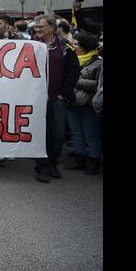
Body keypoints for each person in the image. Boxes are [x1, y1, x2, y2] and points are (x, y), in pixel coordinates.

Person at [32, 14, 80, 183]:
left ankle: (52, 163)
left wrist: (64, 92)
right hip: (36, 100)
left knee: (58, 134)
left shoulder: (65, 47)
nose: (38, 30)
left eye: (41, 27)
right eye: (36, 27)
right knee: (41, 134)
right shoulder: (31, 45)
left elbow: (74, 70)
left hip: (56, 98)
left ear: (52, 28)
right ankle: (42, 167)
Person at [66, 31, 102, 175]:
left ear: (84, 46)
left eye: (76, 44)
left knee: (91, 134)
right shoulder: (70, 59)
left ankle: (93, 161)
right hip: (72, 102)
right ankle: (80, 158)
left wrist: (76, 81)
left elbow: (98, 85)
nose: (73, 47)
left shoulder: (98, 62)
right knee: (76, 133)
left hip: (88, 104)